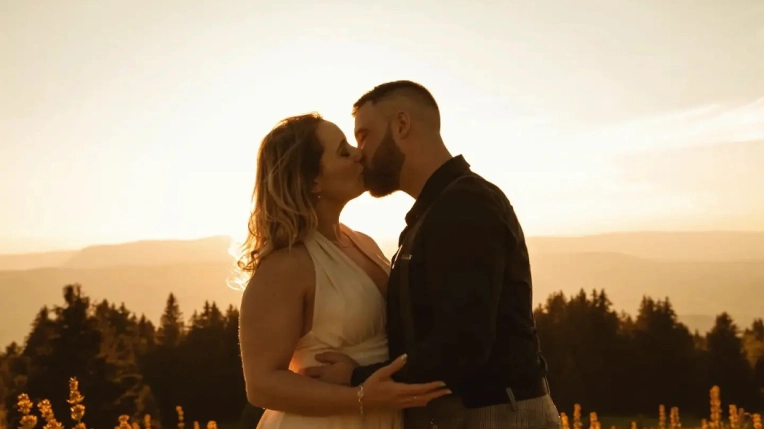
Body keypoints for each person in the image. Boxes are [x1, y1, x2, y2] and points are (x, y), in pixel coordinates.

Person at [301, 81, 562, 429]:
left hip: (494, 414)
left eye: (364, 136)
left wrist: (357, 377)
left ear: (402, 125)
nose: (359, 152)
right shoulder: (434, 212)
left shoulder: (466, 205)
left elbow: (462, 346)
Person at [236, 112, 451, 429]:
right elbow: (261, 386)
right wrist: (362, 397)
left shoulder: (362, 242)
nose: (358, 153)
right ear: (313, 180)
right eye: (342, 151)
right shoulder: (286, 266)